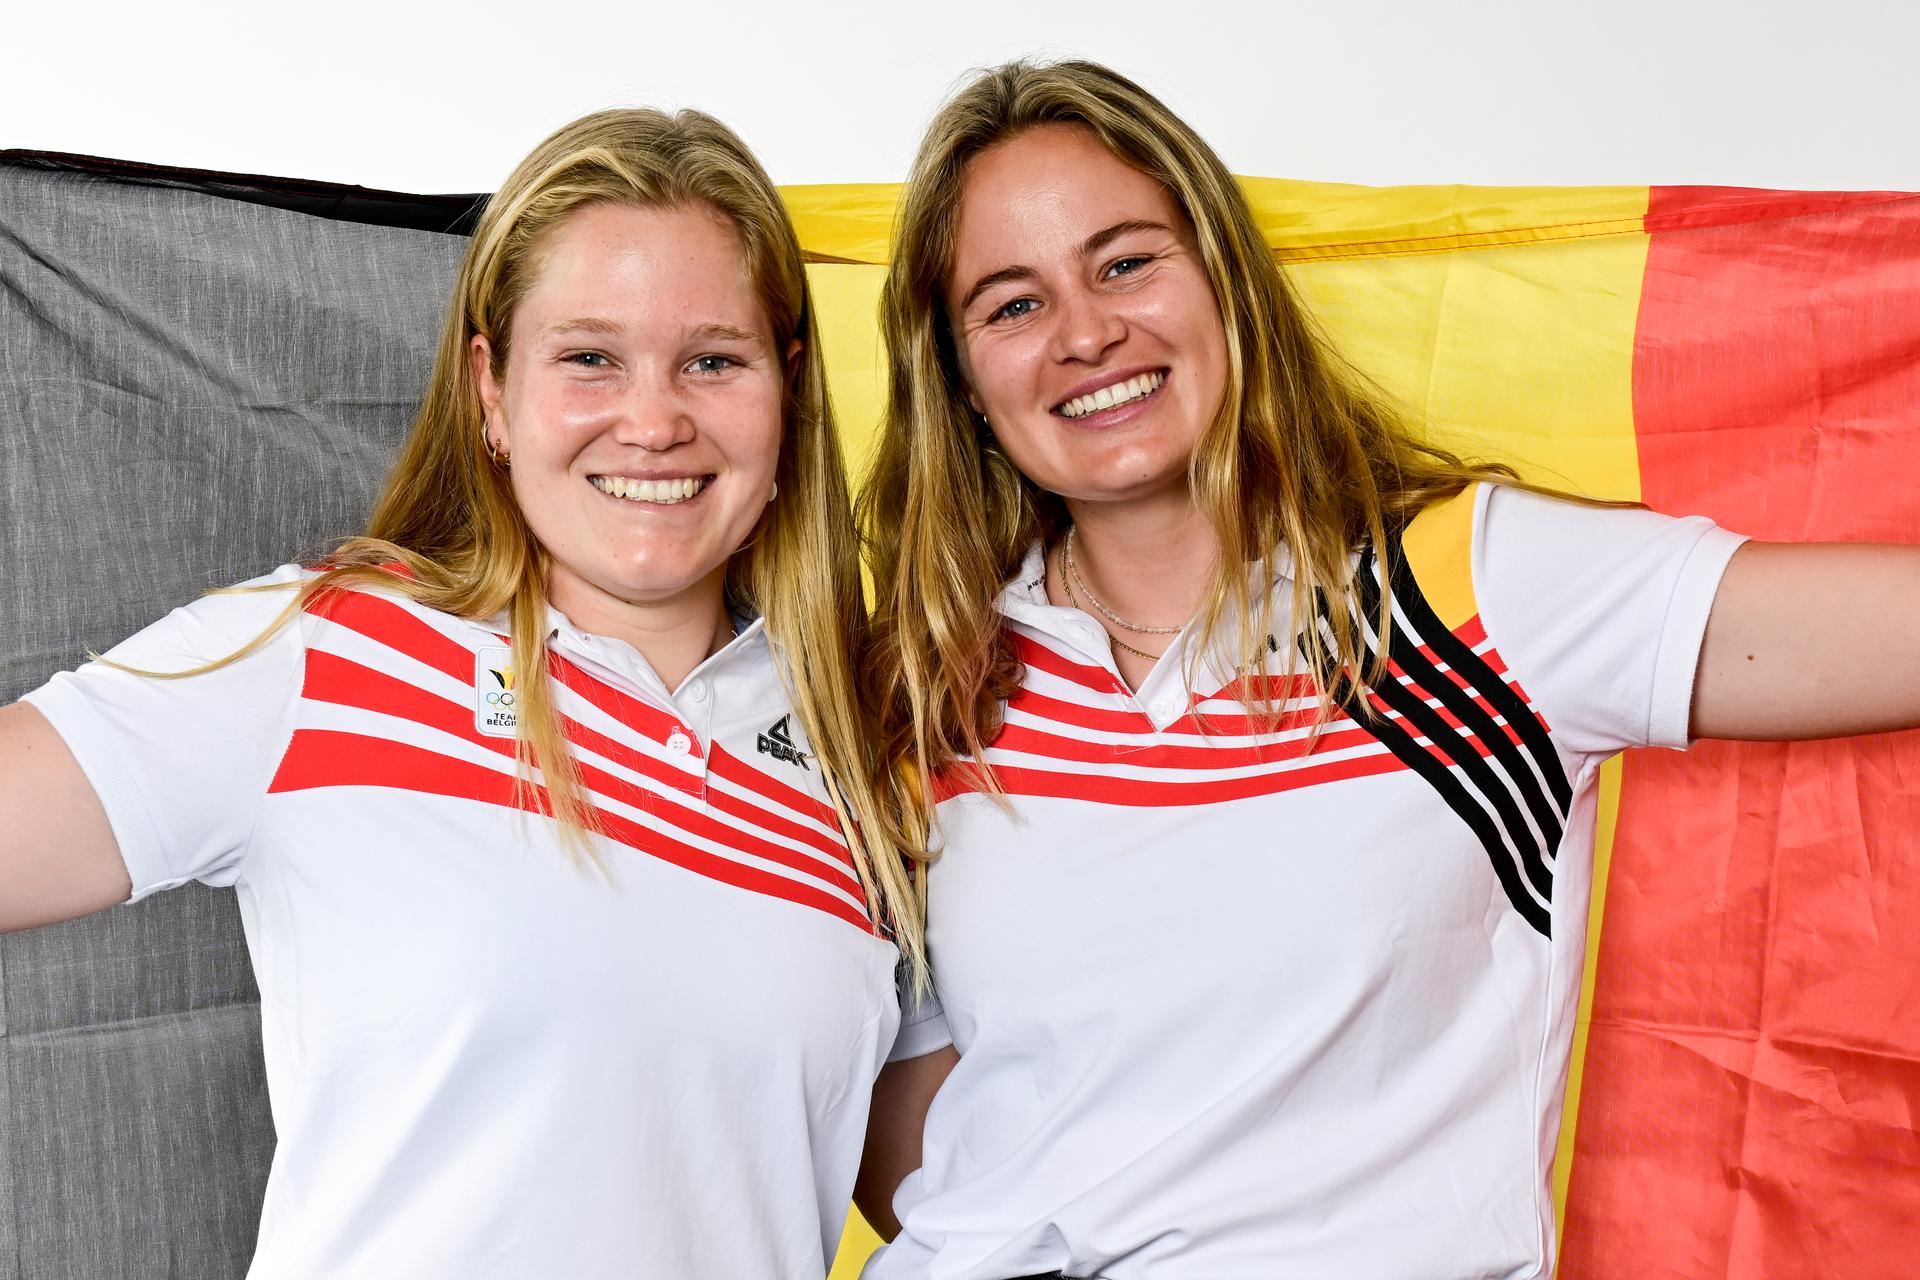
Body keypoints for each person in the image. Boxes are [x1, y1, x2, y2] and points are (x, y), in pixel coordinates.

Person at [851, 59, 1920, 1280]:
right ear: (964, 382)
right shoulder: (927, 690)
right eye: (1012, 303)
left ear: (1225, 280)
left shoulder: (1471, 592)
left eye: (1126, 261)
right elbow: (935, 1149)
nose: (1088, 331)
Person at [0, 108, 924, 1278]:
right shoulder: (321, 654)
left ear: (788, 389)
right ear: (491, 390)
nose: (653, 419)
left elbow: (977, 1176)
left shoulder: (865, 754)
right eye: (589, 356)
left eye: (713, 358)